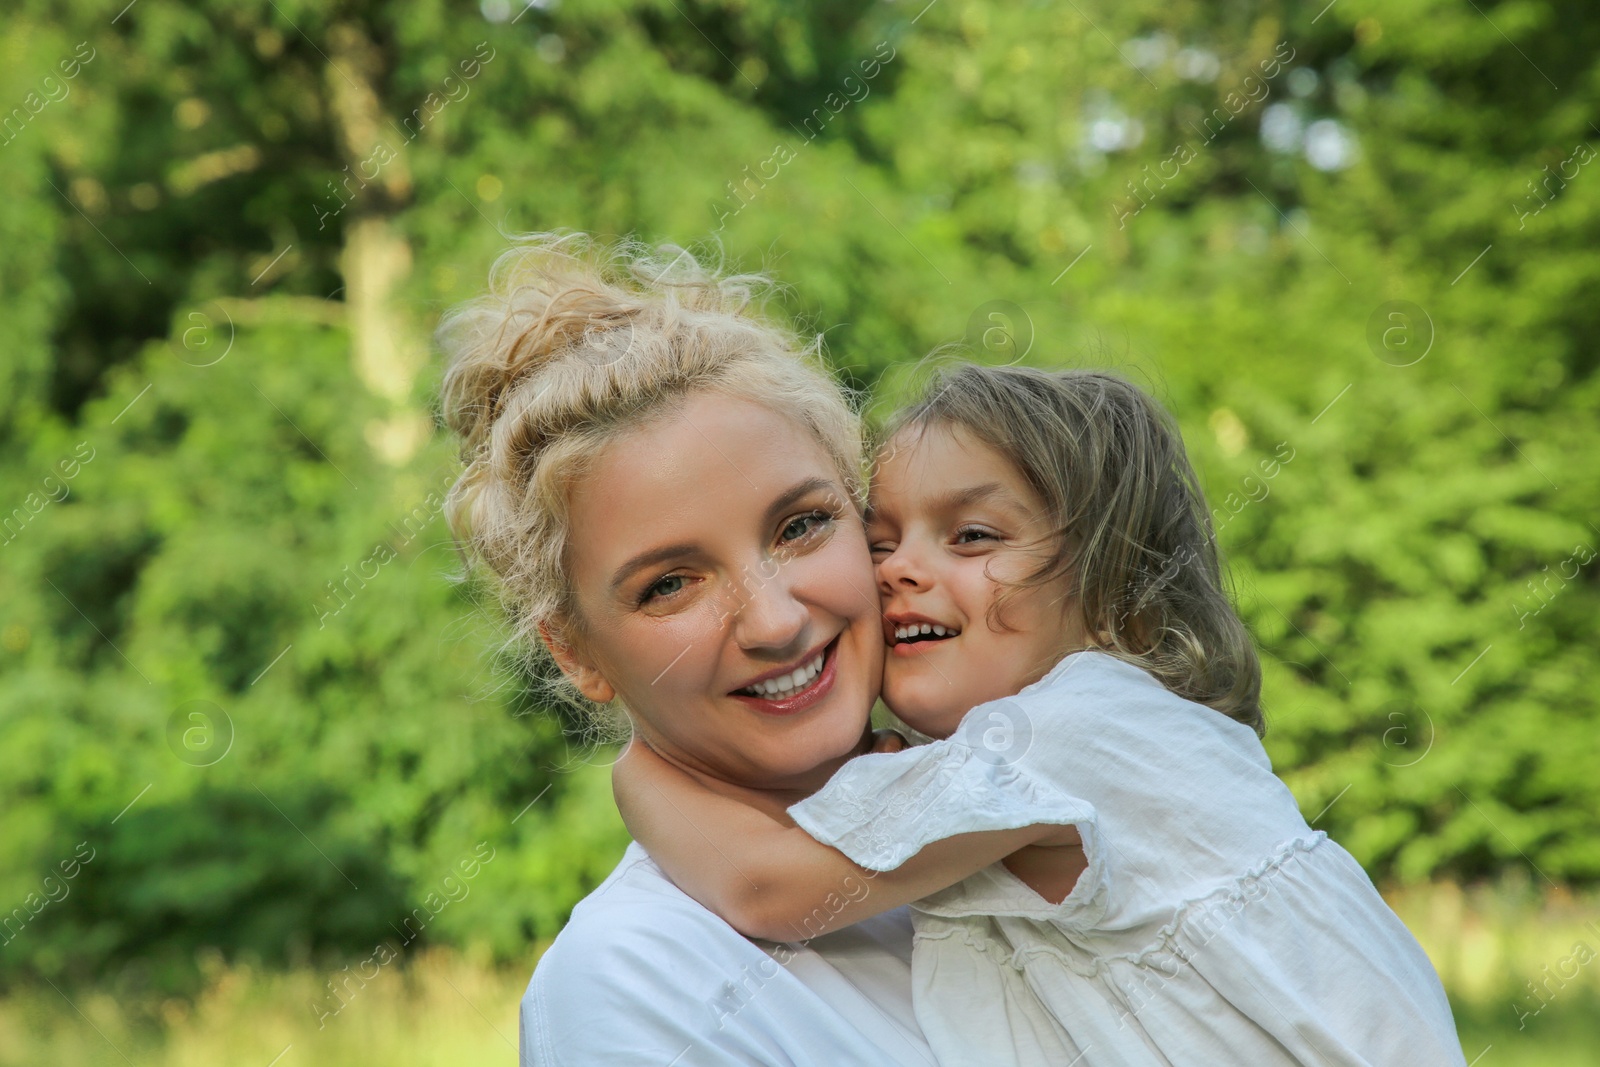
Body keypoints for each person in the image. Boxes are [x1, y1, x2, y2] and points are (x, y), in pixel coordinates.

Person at [617, 364, 1468, 1065]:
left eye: (974, 537)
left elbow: (767, 890)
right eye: (881, 542)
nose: (899, 570)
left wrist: (640, 772)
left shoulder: (1081, 727)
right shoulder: (1036, 761)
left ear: (1120, 605)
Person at [437, 233, 934, 1065]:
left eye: (801, 525)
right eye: (670, 584)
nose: (774, 622)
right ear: (574, 653)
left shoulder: (1004, 784)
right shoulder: (630, 983)